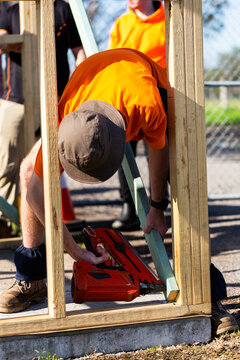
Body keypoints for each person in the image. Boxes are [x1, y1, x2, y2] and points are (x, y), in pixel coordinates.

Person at [0, 48, 237, 338]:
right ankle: (32, 278)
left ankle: (208, 297)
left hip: (154, 85)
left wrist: (157, 207)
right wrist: (75, 251)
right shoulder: (67, 113)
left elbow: (158, 152)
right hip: (95, 83)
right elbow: (36, 191)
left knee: (185, 179)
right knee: (29, 171)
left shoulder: (147, 104)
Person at [0, 0, 86, 237]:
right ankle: (6, 226)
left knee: (47, 166)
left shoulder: (62, 8)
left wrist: (77, 87)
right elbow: (2, 39)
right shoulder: (12, 10)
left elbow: (79, 51)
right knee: (6, 166)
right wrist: (23, 42)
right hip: (15, 98)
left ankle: (48, 229)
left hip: (55, 99)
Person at [108, 0, 166, 231]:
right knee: (124, 149)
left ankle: (158, 204)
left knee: (159, 147)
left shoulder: (166, 21)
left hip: (159, 93)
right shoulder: (121, 24)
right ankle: (129, 206)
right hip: (128, 95)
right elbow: (114, 60)